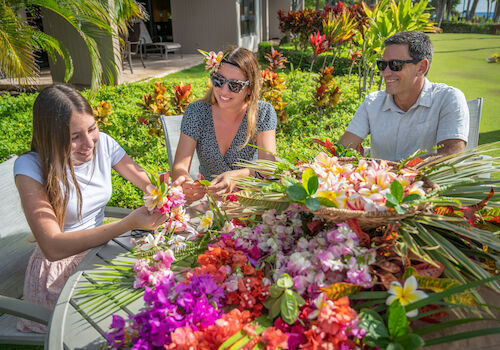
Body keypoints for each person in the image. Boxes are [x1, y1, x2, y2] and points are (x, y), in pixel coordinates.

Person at [14, 84, 166, 333]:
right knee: (130, 318)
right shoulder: (31, 168)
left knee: (158, 293)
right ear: (50, 136)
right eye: (74, 137)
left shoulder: (103, 144)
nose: (88, 143)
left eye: (92, 129)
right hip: (58, 276)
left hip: (100, 252)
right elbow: (53, 247)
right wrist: (127, 224)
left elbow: (148, 186)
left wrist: (165, 195)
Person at [340, 31, 469, 161]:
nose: (385, 72)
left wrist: (398, 172)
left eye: (395, 65)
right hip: (380, 180)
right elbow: (343, 148)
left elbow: (451, 155)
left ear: (421, 67)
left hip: (429, 181)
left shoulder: (448, 99)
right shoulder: (372, 103)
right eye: (382, 65)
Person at [173, 47, 277, 201]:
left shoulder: (263, 112)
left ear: (249, 89)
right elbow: (179, 167)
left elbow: (268, 168)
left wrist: (238, 176)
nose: (224, 91)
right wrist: (186, 182)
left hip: (250, 200)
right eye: (218, 80)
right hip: (207, 202)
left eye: (234, 85)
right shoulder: (197, 112)